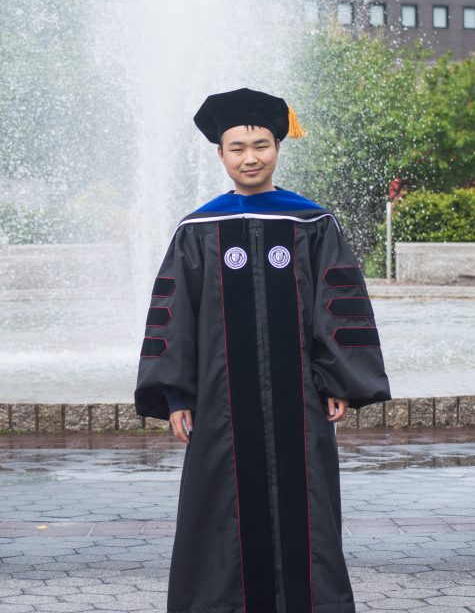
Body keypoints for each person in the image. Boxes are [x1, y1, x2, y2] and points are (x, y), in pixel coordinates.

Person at [134, 87, 392, 613]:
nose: (250, 157)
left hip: (299, 401)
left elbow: (337, 304)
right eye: (237, 147)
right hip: (219, 403)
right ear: (220, 154)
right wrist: (175, 392)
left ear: (278, 147)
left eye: (261, 144)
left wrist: (338, 378)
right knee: (217, 511)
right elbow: (173, 317)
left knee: (309, 510)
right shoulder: (197, 229)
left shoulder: (312, 222)